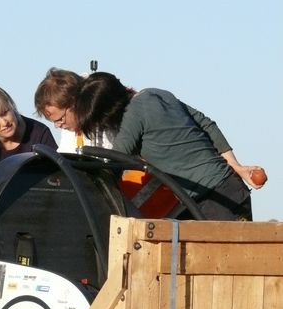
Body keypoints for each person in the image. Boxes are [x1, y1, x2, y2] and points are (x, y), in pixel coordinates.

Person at [38, 70, 264, 220]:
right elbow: (206, 123)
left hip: (213, 201)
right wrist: (236, 166)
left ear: (108, 110)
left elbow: (114, 164)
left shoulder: (132, 119)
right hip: (228, 189)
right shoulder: (155, 94)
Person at [34, 68, 114, 152]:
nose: (57, 126)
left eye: (60, 120)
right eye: (54, 121)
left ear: (73, 104)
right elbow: (64, 154)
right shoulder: (70, 128)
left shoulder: (106, 117)